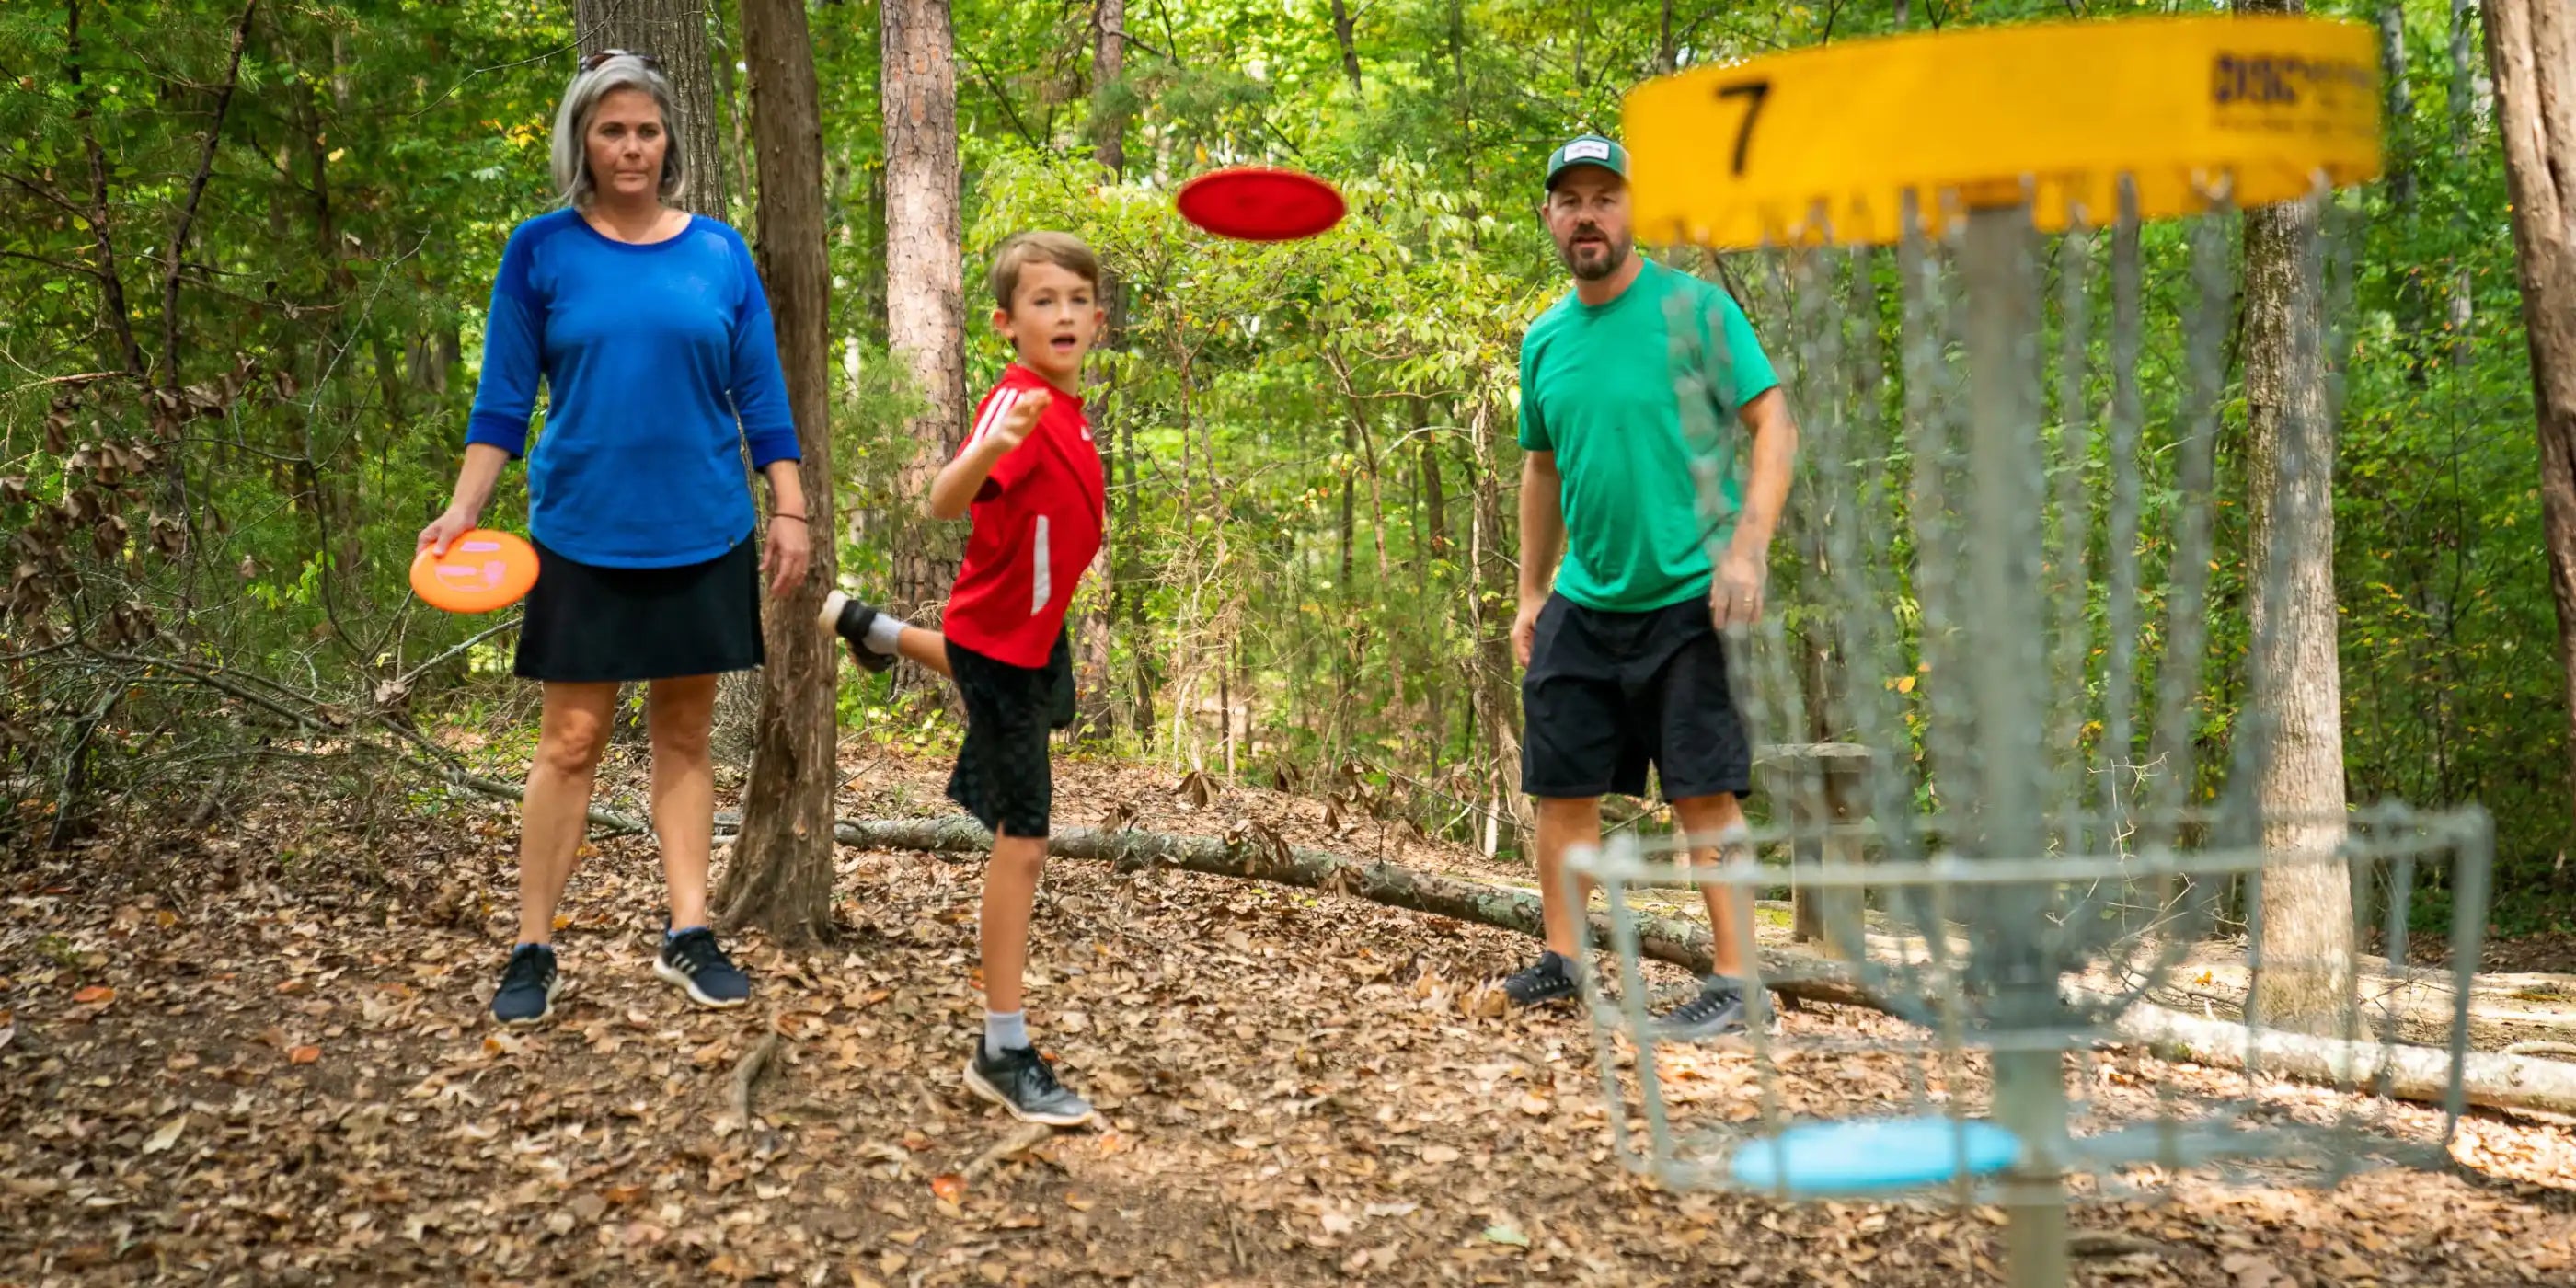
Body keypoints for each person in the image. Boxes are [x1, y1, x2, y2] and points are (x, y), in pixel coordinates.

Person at [419, 50, 810, 1028]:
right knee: (571, 740)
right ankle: (532, 945)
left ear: (667, 140)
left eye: (646, 129)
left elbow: (760, 392)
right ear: (581, 143)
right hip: (582, 529)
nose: (631, 147)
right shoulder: (540, 250)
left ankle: (689, 929)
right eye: (611, 130)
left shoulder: (718, 252)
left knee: (683, 733)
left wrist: (790, 506)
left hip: (705, 523)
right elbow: (503, 400)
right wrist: (466, 507)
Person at [1498, 134, 1800, 1041]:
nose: (1587, 214)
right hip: (1584, 600)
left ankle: (1739, 981)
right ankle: (1564, 962)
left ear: (1634, 211)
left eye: (1605, 197)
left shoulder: (1695, 312)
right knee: (1560, 787)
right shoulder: (1545, 338)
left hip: (1688, 594)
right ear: (1549, 218)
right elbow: (1542, 470)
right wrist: (1529, 591)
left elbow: (1773, 421)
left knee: (1704, 789)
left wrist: (1747, 547)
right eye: (1570, 200)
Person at [818, 231, 1105, 1126]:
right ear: (1005, 323)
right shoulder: (1017, 402)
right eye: (1042, 300)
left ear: (1096, 317)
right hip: (1005, 643)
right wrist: (994, 445)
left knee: (999, 678)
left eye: (1075, 299)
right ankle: (1002, 1046)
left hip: (1024, 639)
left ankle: (875, 630)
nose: (1061, 314)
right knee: (1022, 840)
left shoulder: (1068, 403)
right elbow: (943, 497)